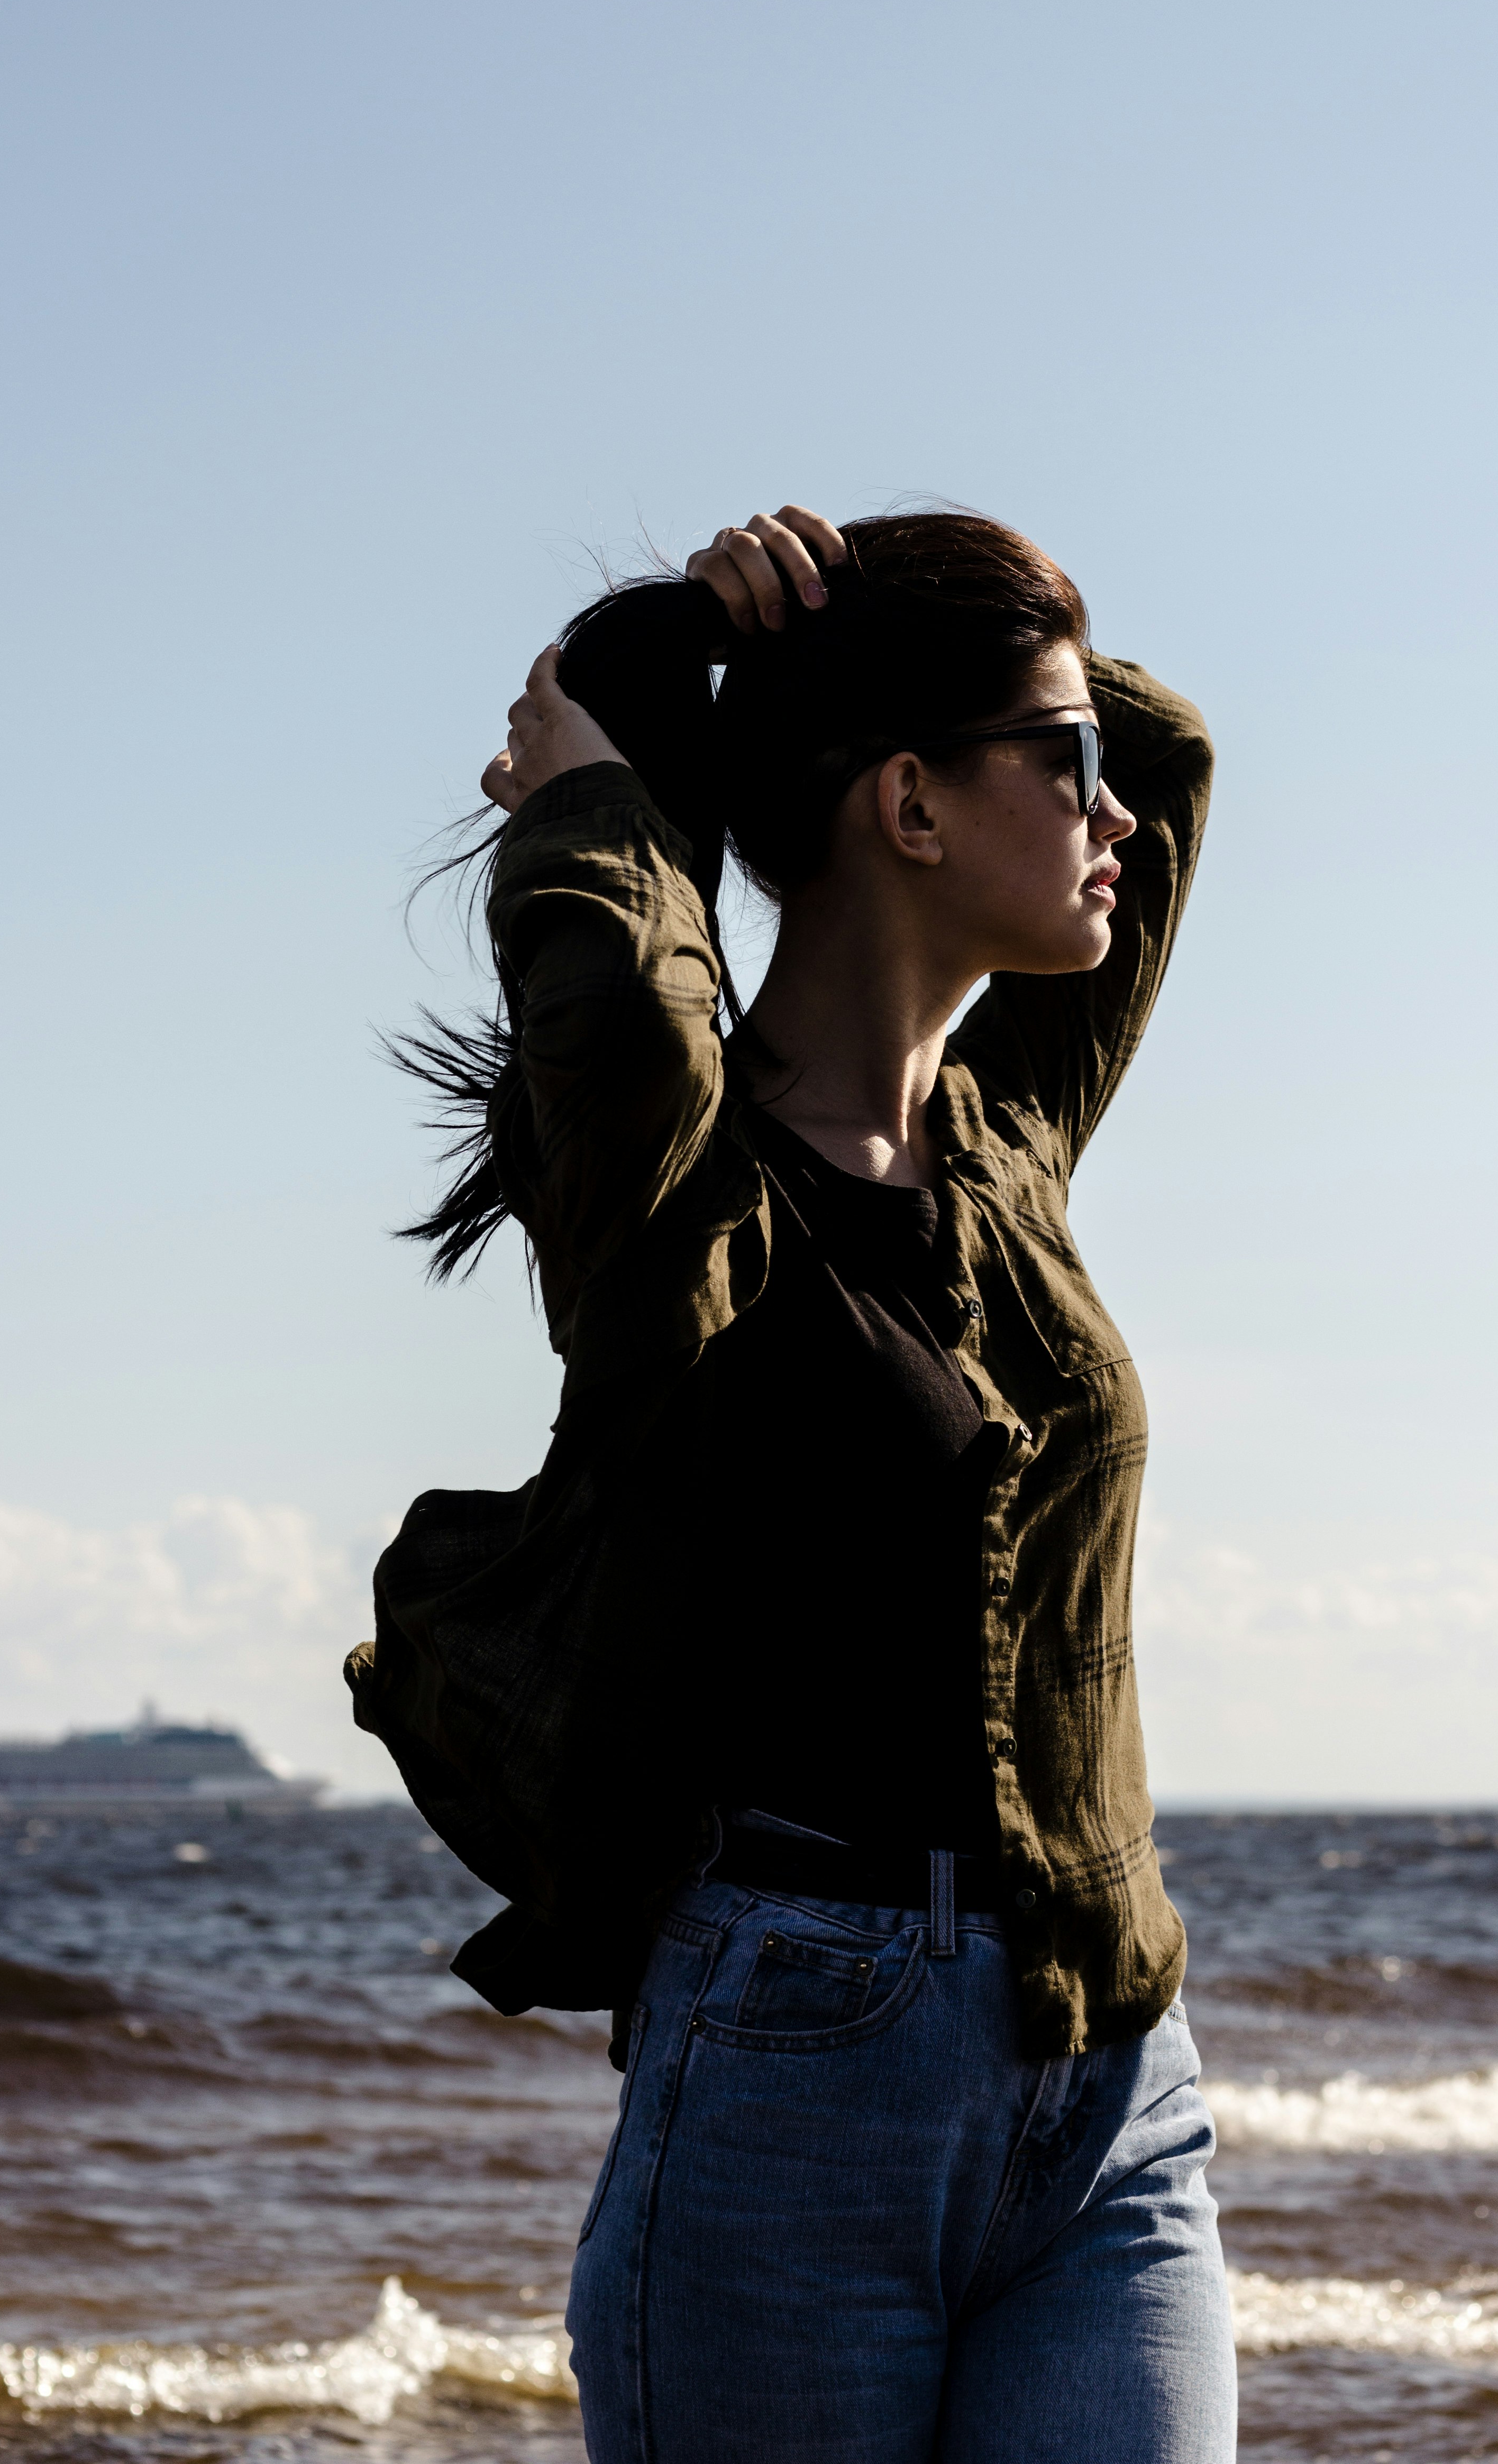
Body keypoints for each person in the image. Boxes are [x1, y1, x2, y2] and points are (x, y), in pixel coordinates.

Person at [347, 503, 1232, 2460]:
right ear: (907, 806)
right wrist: (636, 671)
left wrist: (865, 606)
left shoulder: (1011, 1140)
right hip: (791, 2088)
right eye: (1054, 761)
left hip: (1107, 2083)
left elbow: (1163, 759)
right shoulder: (678, 1208)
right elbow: (623, 996)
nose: (1112, 813)